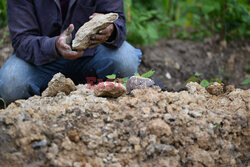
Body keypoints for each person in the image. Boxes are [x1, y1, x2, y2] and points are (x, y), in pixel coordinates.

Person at [0, 0, 142, 104]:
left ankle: (95, 89)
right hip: (42, 59)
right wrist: (54, 45)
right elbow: (22, 40)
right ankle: (44, 96)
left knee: (125, 60)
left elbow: (119, 22)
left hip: (92, 54)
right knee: (10, 85)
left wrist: (110, 30)